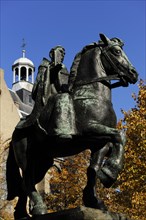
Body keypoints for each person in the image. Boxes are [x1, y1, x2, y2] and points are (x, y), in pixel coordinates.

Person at [16, 46, 69, 130]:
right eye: (60, 53)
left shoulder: (63, 68)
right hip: (51, 97)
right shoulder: (45, 66)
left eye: (64, 54)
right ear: (53, 54)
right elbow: (38, 86)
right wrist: (51, 71)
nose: (62, 56)